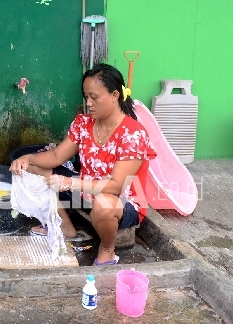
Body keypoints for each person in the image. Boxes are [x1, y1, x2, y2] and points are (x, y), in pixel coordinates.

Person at [9, 64, 156, 266]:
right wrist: (28, 158)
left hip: (121, 201)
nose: (89, 103)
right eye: (86, 97)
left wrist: (70, 183)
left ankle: (107, 249)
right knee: (32, 169)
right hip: (86, 191)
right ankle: (65, 226)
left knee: (104, 204)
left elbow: (116, 186)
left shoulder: (133, 134)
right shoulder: (83, 124)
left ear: (114, 95)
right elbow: (56, 155)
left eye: (94, 97)